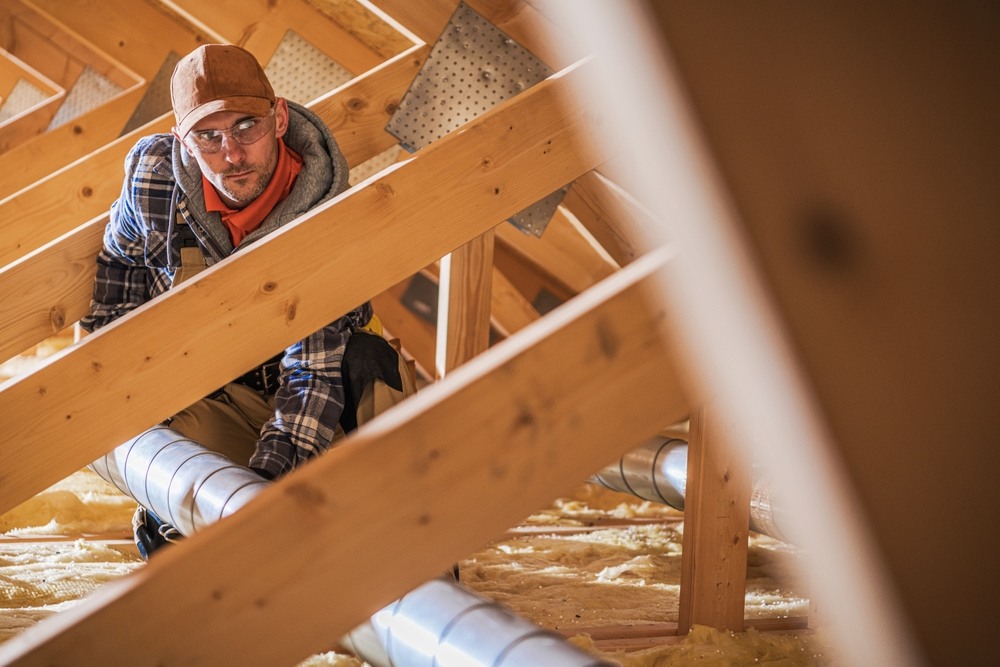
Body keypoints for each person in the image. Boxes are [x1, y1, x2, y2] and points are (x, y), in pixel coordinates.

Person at [80, 44, 413, 559]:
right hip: (217, 393)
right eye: (207, 137)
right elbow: (119, 269)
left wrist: (254, 495)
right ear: (181, 141)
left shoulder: (326, 211)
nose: (231, 155)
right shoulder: (154, 180)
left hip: (324, 408)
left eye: (245, 127)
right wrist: (121, 385)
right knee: (156, 451)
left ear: (279, 118)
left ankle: (410, 546)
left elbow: (312, 376)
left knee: (369, 365)